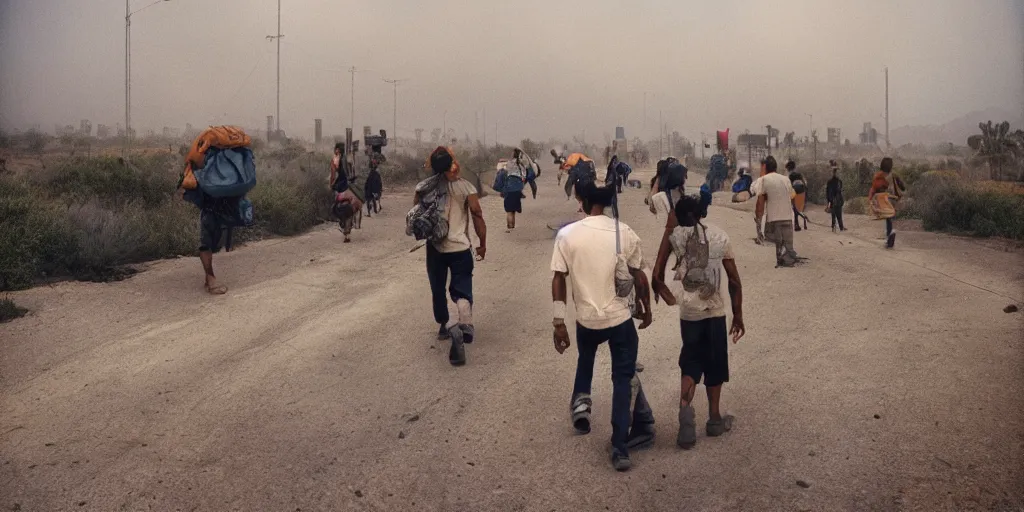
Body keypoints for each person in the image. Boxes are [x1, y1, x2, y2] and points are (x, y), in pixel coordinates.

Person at [551, 182, 654, 471]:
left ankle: (581, 407)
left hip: (587, 319)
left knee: (586, 358)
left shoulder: (567, 235)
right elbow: (640, 276)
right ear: (608, 203)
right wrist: (645, 309)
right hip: (619, 320)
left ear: (581, 201)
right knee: (623, 378)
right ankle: (620, 447)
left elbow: (558, 278)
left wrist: (559, 321)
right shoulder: (624, 232)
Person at [651, 194, 744, 449]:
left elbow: (659, 268)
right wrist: (738, 314)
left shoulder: (675, 237)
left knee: (691, 360)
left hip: (689, 314)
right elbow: (734, 280)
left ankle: (685, 414)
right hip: (714, 311)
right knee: (715, 363)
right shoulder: (720, 236)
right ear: (701, 214)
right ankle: (714, 419)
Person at [416, 146, 487, 366]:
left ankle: (443, 325)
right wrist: (482, 243)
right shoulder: (465, 186)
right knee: (462, 287)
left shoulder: (423, 188)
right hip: (460, 248)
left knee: (437, 287)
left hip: (435, 248)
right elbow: (476, 214)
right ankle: (464, 322)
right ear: (452, 163)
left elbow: (416, 216)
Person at [751, 156, 799, 267]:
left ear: (765, 167)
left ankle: (780, 259)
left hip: (774, 219)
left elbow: (760, 203)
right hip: (788, 217)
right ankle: (787, 258)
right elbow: (792, 196)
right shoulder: (786, 179)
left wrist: (758, 220)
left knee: (772, 240)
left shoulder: (763, 180)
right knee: (787, 248)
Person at [493, 148, 538, 232]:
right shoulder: (521, 164)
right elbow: (524, 176)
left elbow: (503, 172)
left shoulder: (509, 164)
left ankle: (509, 228)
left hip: (509, 188)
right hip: (518, 189)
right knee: (513, 210)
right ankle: (513, 227)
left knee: (509, 211)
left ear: (512, 154)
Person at [330, 143, 364, 243]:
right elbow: (354, 171)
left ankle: (343, 225)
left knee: (337, 206)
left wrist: (331, 185)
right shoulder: (349, 158)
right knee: (354, 206)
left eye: (336, 149)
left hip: (341, 186)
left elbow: (333, 174)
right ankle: (352, 226)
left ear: (337, 150)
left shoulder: (336, 159)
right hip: (351, 185)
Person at [869, 157, 903, 249]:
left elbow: (874, 189)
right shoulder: (894, 175)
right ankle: (890, 235)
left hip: (883, 200)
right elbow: (903, 187)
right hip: (894, 199)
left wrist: (871, 199)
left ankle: (890, 235)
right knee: (891, 217)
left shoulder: (878, 176)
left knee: (888, 218)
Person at [786, 160, 808, 231]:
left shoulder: (790, 175)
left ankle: (797, 224)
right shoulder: (799, 174)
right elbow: (805, 183)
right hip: (802, 191)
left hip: (795, 191)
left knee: (794, 208)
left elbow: (789, 186)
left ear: (788, 169)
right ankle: (801, 220)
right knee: (798, 208)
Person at [826, 160, 846, 232]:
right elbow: (839, 191)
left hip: (832, 199)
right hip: (837, 200)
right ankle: (840, 227)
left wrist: (829, 201)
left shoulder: (830, 182)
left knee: (834, 214)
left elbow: (828, 193)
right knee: (839, 214)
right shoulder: (839, 181)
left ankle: (834, 227)